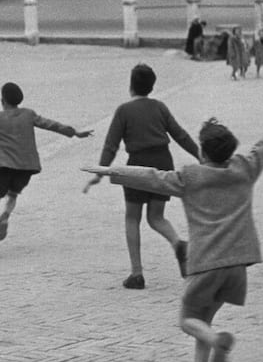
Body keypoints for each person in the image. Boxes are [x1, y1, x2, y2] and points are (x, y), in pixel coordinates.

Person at [83, 103, 263, 362]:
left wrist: (112, 171)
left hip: (206, 265)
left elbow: (151, 177)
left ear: (203, 153)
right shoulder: (245, 168)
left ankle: (217, 341)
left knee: (188, 320)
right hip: (237, 266)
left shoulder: (190, 177)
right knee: (204, 319)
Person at [0, 82, 93, 260]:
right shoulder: (29, 114)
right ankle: (6, 214)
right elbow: (51, 125)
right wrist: (74, 133)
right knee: (12, 195)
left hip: (2, 167)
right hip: (26, 168)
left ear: (2, 100)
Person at [84, 64, 199, 289]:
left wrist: (101, 171)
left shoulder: (124, 111)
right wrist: (200, 155)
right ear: (152, 86)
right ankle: (178, 244)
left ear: (131, 86)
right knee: (156, 217)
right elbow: (180, 135)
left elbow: (111, 145)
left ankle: (137, 274)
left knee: (132, 218)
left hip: (136, 165)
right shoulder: (160, 108)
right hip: (162, 163)